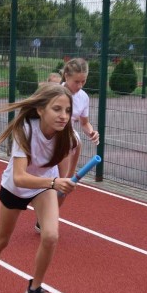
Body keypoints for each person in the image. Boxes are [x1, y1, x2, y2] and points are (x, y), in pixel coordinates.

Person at [0, 83, 78, 293]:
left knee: (50, 235)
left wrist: (65, 180)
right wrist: (54, 183)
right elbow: (20, 177)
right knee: (2, 240)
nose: (63, 116)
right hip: (16, 187)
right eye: (57, 109)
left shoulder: (68, 135)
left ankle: (35, 289)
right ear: (41, 109)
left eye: (68, 110)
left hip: (44, 187)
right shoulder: (25, 130)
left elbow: (71, 153)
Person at [34, 58, 100, 232]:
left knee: (66, 185)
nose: (79, 85)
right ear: (66, 76)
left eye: (83, 81)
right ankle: (44, 212)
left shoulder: (84, 97)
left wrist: (91, 131)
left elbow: (84, 123)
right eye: (76, 81)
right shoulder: (54, 92)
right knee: (41, 182)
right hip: (47, 140)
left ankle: (46, 219)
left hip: (68, 144)